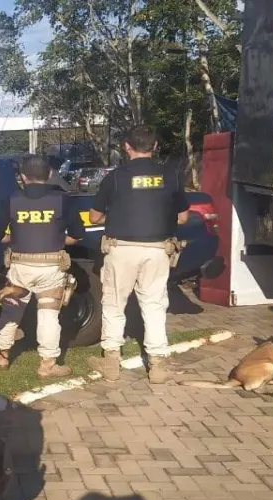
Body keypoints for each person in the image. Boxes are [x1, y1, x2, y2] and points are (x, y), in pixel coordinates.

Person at [86, 125, 190, 383]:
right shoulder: (171, 176)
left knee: (114, 303)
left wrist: (117, 216)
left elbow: (94, 217)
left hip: (121, 249)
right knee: (154, 305)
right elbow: (183, 217)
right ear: (155, 147)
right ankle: (157, 365)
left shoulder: (115, 178)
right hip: (157, 250)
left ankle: (111, 362)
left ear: (126, 147)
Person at [0, 154, 86, 379]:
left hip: (19, 266)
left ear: (22, 176)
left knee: (11, 310)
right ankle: (47, 365)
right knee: (49, 315)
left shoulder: (10, 199)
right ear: (50, 174)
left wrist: (14, 240)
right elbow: (77, 235)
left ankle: (1, 357)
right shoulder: (63, 200)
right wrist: (58, 241)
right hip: (51, 267)